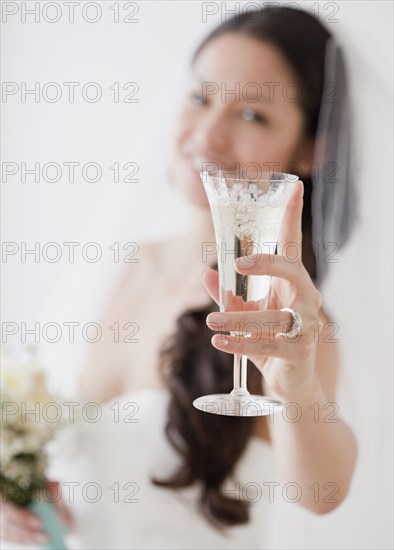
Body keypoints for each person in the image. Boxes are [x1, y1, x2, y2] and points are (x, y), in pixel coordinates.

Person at [1, 5, 358, 548]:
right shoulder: (115, 269)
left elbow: (324, 493)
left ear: (310, 150)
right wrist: (28, 500)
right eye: (200, 97)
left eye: (253, 115)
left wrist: (296, 383)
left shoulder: (288, 323)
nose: (209, 134)